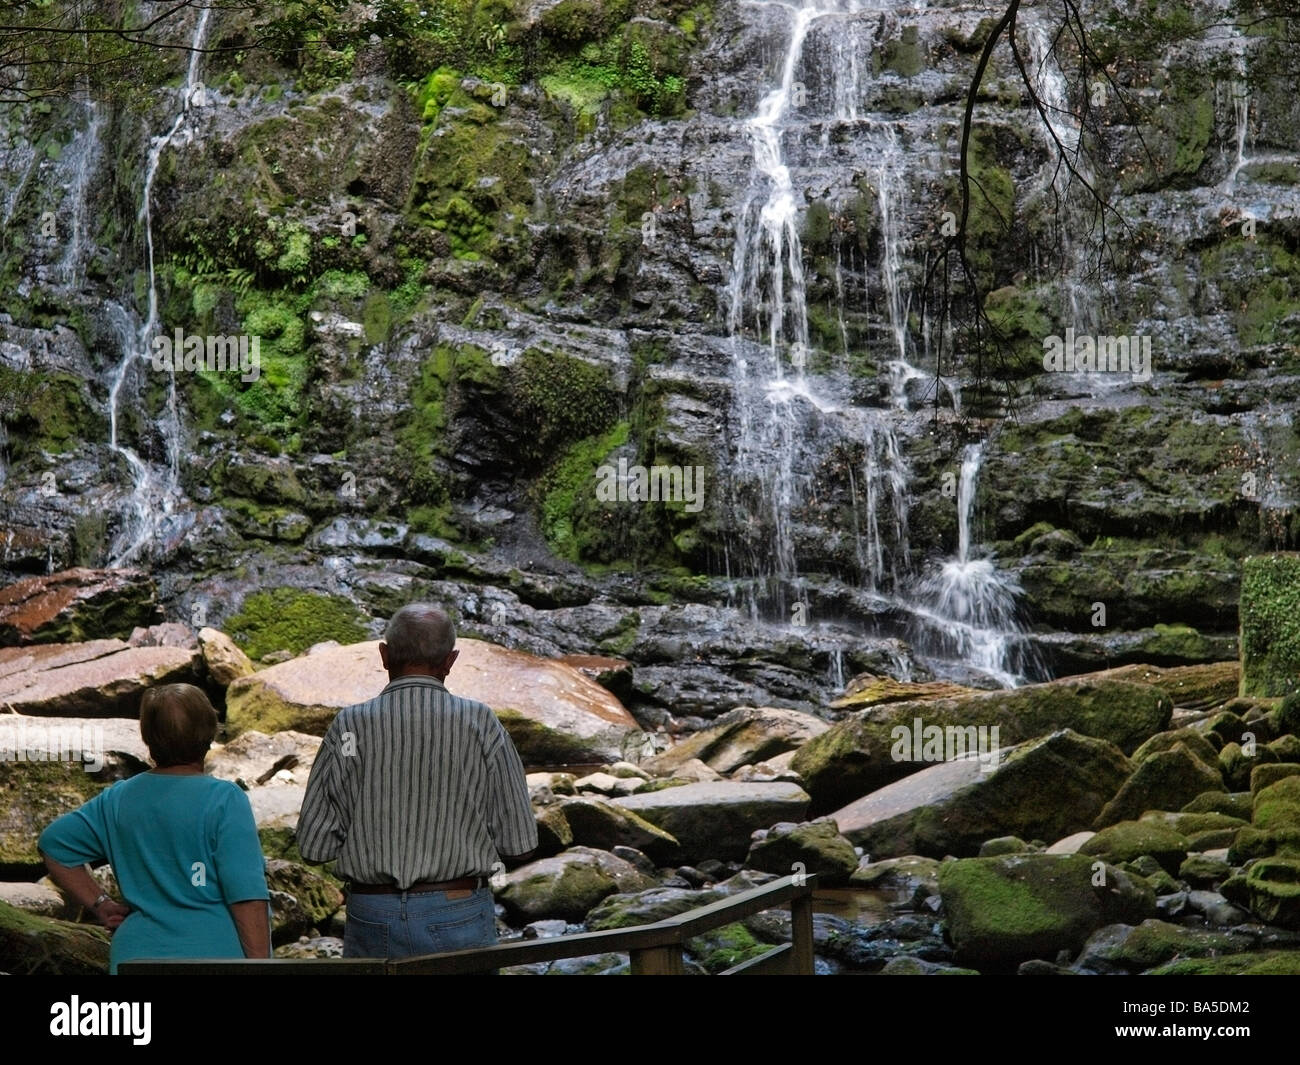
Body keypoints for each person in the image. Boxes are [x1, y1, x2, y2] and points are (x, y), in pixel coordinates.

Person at [297, 602, 537, 959]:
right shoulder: (480, 722)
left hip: (372, 915)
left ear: (384, 655)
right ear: (450, 661)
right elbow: (519, 842)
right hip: (459, 912)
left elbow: (314, 848)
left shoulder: (349, 725)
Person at [39, 683, 270, 974]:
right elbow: (247, 896)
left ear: (148, 737)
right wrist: (262, 967)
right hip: (215, 955)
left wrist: (101, 904)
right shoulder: (225, 799)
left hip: (136, 956)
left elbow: (54, 845)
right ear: (210, 732)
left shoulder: (117, 798)